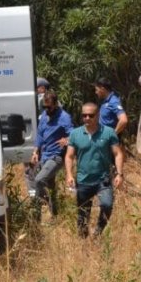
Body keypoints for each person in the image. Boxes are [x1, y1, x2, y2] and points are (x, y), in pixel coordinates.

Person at [65, 102, 124, 238]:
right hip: (83, 180)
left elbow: (118, 154)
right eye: (84, 115)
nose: (87, 118)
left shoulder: (108, 132)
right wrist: (69, 174)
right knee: (82, 215)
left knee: (107, 205)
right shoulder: (75, 134)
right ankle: (83, 242)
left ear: (98, 115)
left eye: (90, 115)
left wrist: (119, 174)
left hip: (103, 180)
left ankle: (98, 232)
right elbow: (69, 156)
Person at [27, 91, 72, 220]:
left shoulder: (64, 117)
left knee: (38, 181)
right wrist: (35, 152)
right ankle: (55, 216)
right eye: (44, 107)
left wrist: (67, 140)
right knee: (50, 187)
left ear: (56, 104)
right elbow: (40, 135)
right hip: (44, 156)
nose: (47, 110)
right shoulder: (44, 116)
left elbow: (73, 134)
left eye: (49, 107)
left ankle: (39, 213)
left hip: (56, 157)